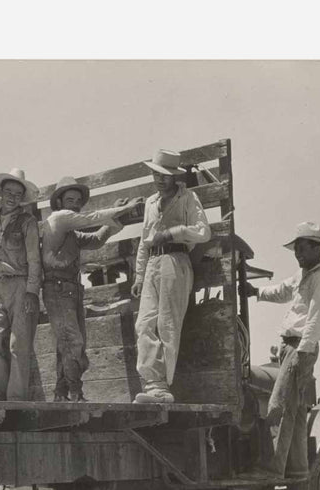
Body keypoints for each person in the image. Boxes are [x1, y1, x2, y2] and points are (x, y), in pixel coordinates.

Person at [41, 176, 138, 401]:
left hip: (71, 290)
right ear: (60, 203)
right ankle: (75, 393)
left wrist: (115, 218)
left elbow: (95, 240)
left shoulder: (71, 232)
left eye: (77, 200)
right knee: (72, 342)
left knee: (69, 343)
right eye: (70, 199)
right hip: (58, 289)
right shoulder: (59, 218)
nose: (74, 203)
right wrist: (121, 209)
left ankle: (61, 393)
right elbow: (91, 218)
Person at [254, 221, 320, 479]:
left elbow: (316, 317)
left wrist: (303, 349)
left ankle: (271, 469)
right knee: (296, 409)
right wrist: (255, 291)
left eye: (302, 248)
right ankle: (298, 467)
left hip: (300, 347)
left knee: (279, 405)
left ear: (317, 248)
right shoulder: (305, 275)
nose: (297, 253)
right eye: (296, 249)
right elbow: (282, 291)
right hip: (293, 347)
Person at [131, 149, 211, 403]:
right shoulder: (150, 203)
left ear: (175, 177)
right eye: (156, 174)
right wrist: (139, 275)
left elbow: (203, 232)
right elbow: (144, 241)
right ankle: (152, 382)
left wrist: (173, 233)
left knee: (167, 324)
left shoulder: (187, 197)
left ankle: (162, 388)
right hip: (153, 263)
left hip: (175, 261)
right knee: (144, 323)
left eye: (165, 175)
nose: (159, 179)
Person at [0, 167, 42, 401]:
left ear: (22, 197)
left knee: (18, 345)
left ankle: (16, 401)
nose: (12, 197)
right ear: (1, 192)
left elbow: (34, 258)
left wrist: (32, 292)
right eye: (9, 192)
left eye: (18, 193)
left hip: (20, 285)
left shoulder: (28, 222)